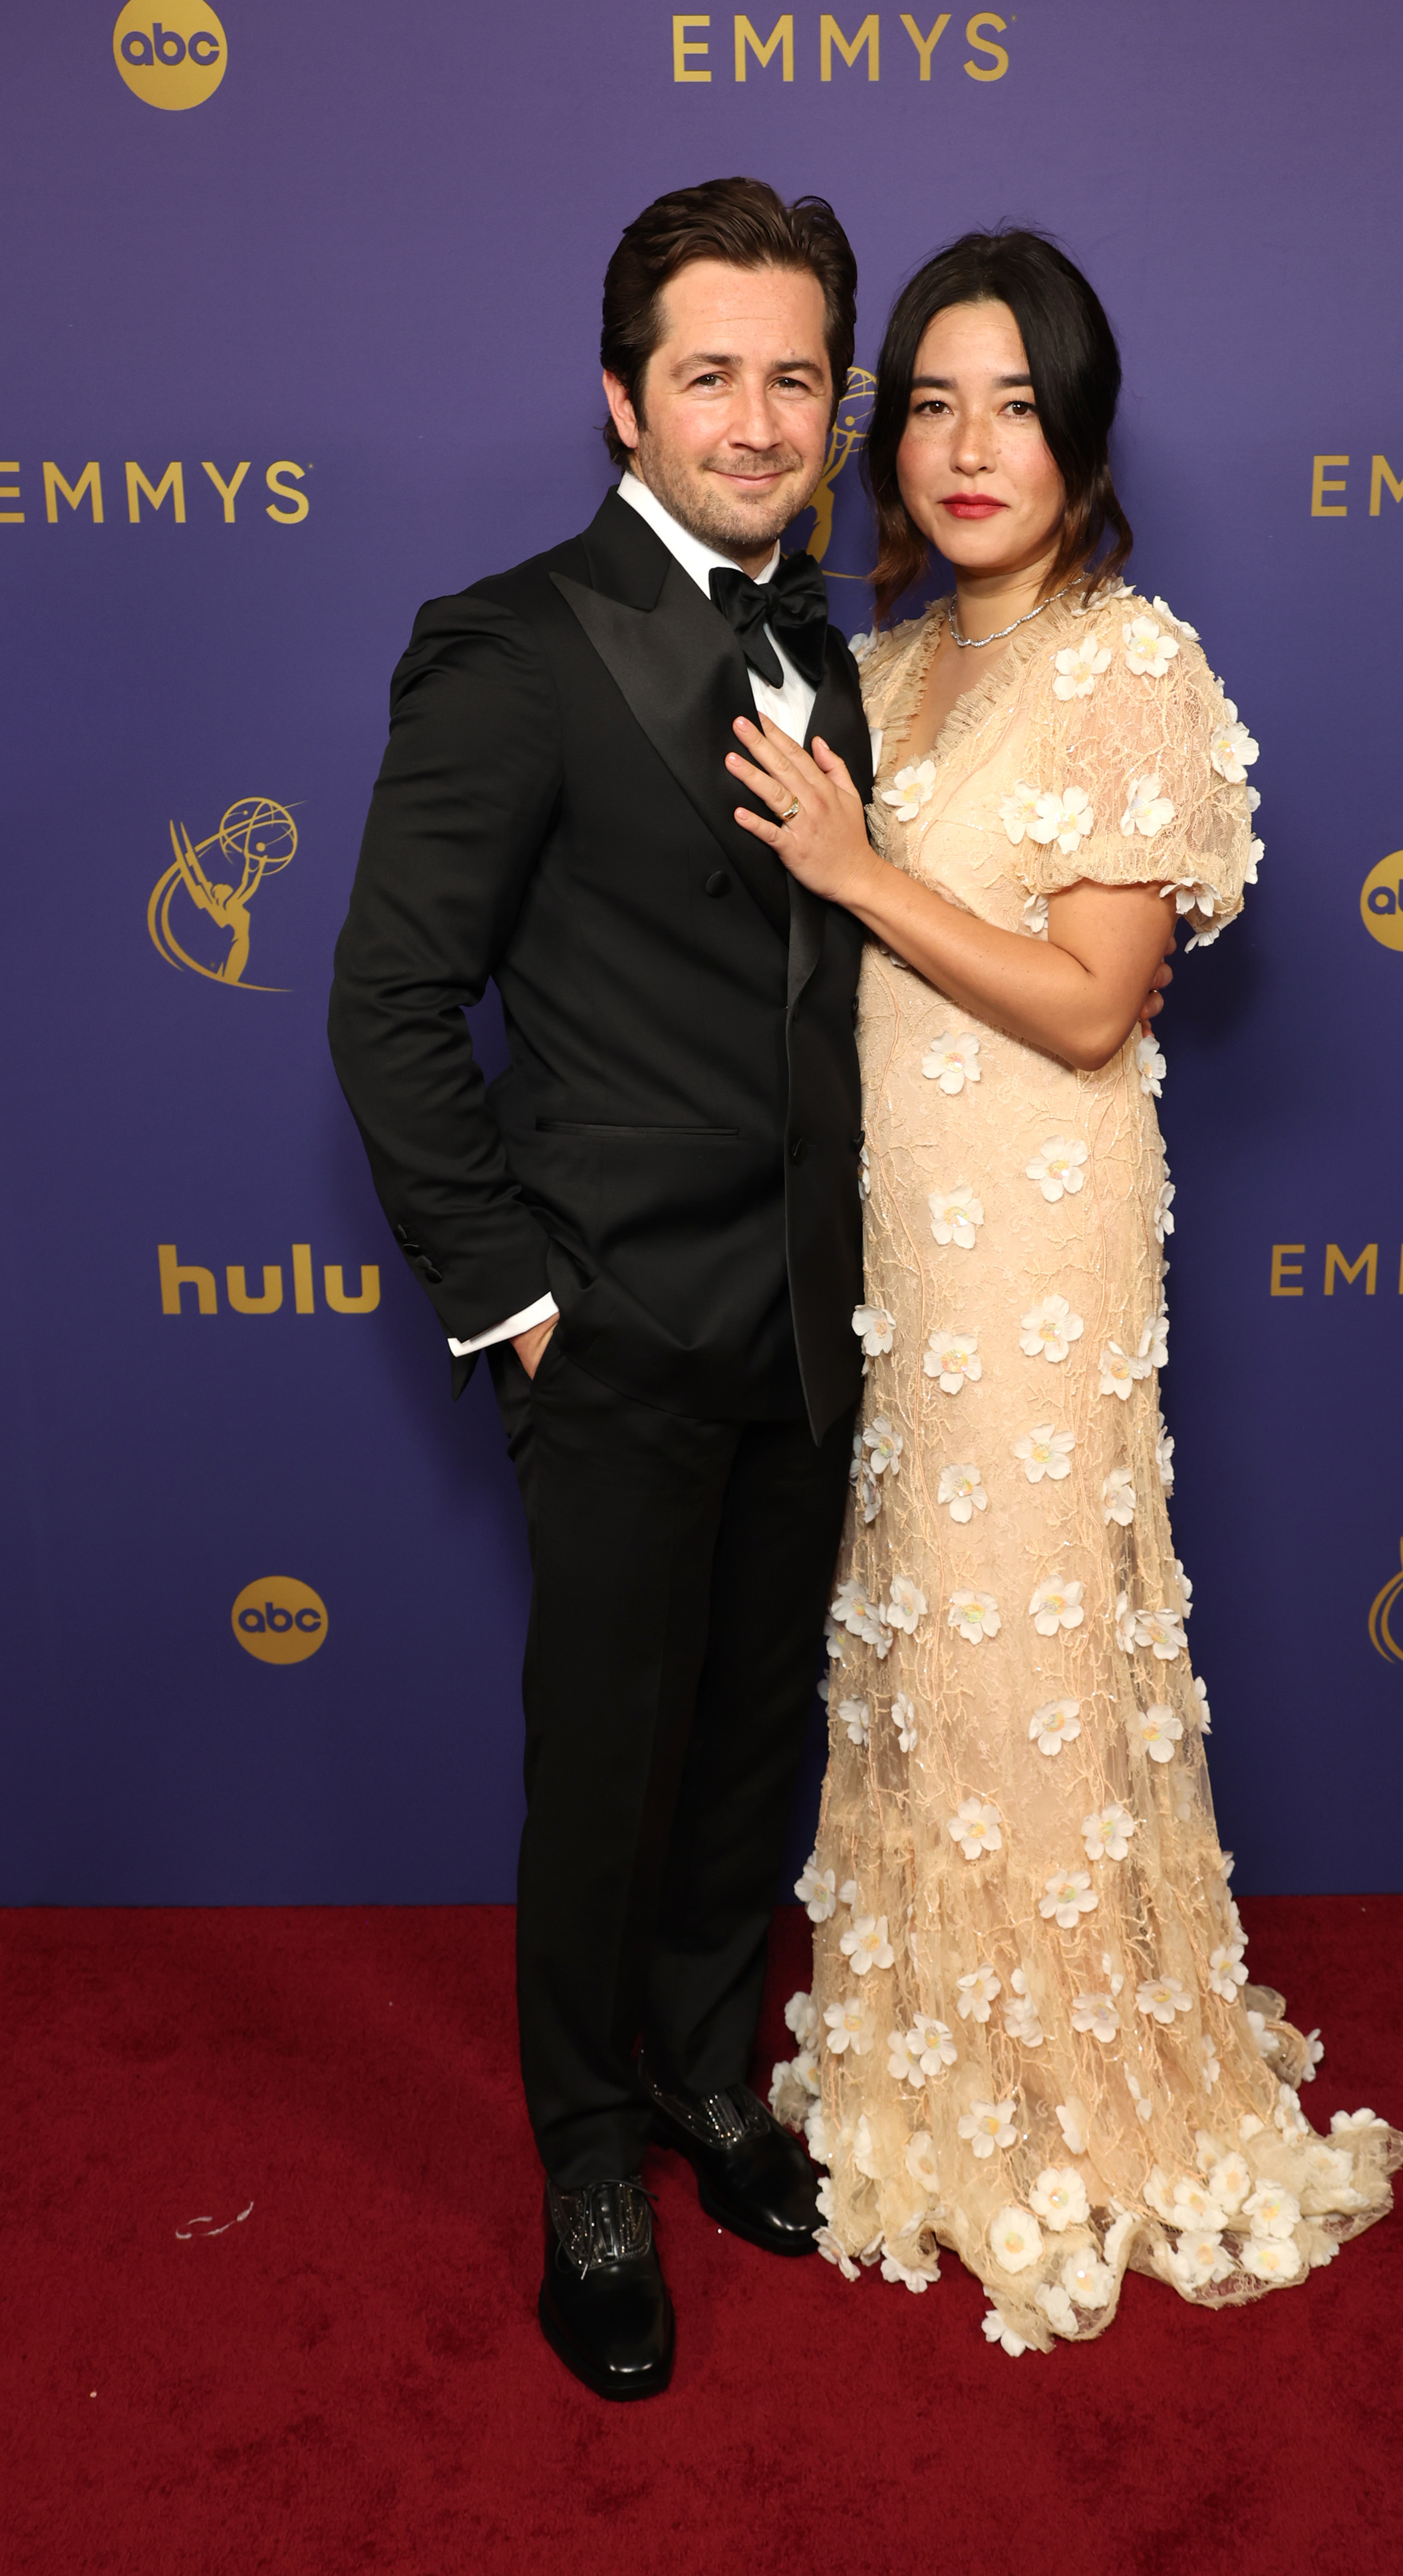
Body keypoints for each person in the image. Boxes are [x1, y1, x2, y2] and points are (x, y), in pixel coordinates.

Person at [732, 229, 1403, 2351]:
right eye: (925, 402)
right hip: (887, 1238)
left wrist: (858, 873)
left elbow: (1100, 1002)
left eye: (1012, 403)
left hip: (1038, 1226)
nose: (963, 445)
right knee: (922, 1620)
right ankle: (936, 2063)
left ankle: (1074, 2089)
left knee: (1030, 1611)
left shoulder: (1134, 667)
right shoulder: (889, 662)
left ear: (1082, 430)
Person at [327, 178, 876, 2402]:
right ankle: (580, 2155)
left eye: (796, 378)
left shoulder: (829, 649)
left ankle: (702, 2076)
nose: (758, 420)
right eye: (713, 375)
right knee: (605, 1762)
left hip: (813, 1321)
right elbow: (388, 1001)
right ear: (625, 397)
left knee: (752, 1746)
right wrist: (512, 1301)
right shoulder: (511, 639)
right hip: (616, 1326)